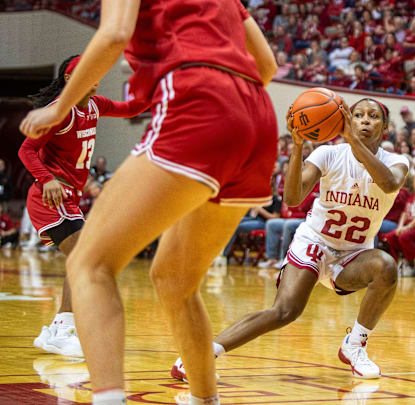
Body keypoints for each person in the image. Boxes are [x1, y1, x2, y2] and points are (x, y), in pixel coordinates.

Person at [19, 1, 279, 403]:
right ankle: (204, 399)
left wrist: (61, 106)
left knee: (88, 264)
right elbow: (266, 65)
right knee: (175, 281)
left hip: (197, 101)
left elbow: (113, 36)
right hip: (257, 117)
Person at [170, 98, 408, 382]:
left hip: (354, 254)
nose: (365, 120)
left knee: (387, 267)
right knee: (284, 312)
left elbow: (390, 184)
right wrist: (297, 147)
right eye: (358, 115)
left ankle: (354, 346)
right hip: (315, 242)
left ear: (385, 128)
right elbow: (293, 198)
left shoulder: (396, 162)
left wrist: (353, 141)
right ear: (349, 120)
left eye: (373, 116)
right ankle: (198, 357)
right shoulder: (328, 155)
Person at [18, 55, 147, 358]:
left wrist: (154, 92)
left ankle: (56, 329)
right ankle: (63, 328)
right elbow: (26, 150)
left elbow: (130, 108)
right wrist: (46, 178)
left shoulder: (95, 104)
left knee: (83, 260)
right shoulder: (59, 112)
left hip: (69, 198)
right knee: (84, 259)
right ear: (69, 79)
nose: (96, 76)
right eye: (89, 72)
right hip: (50, 197)